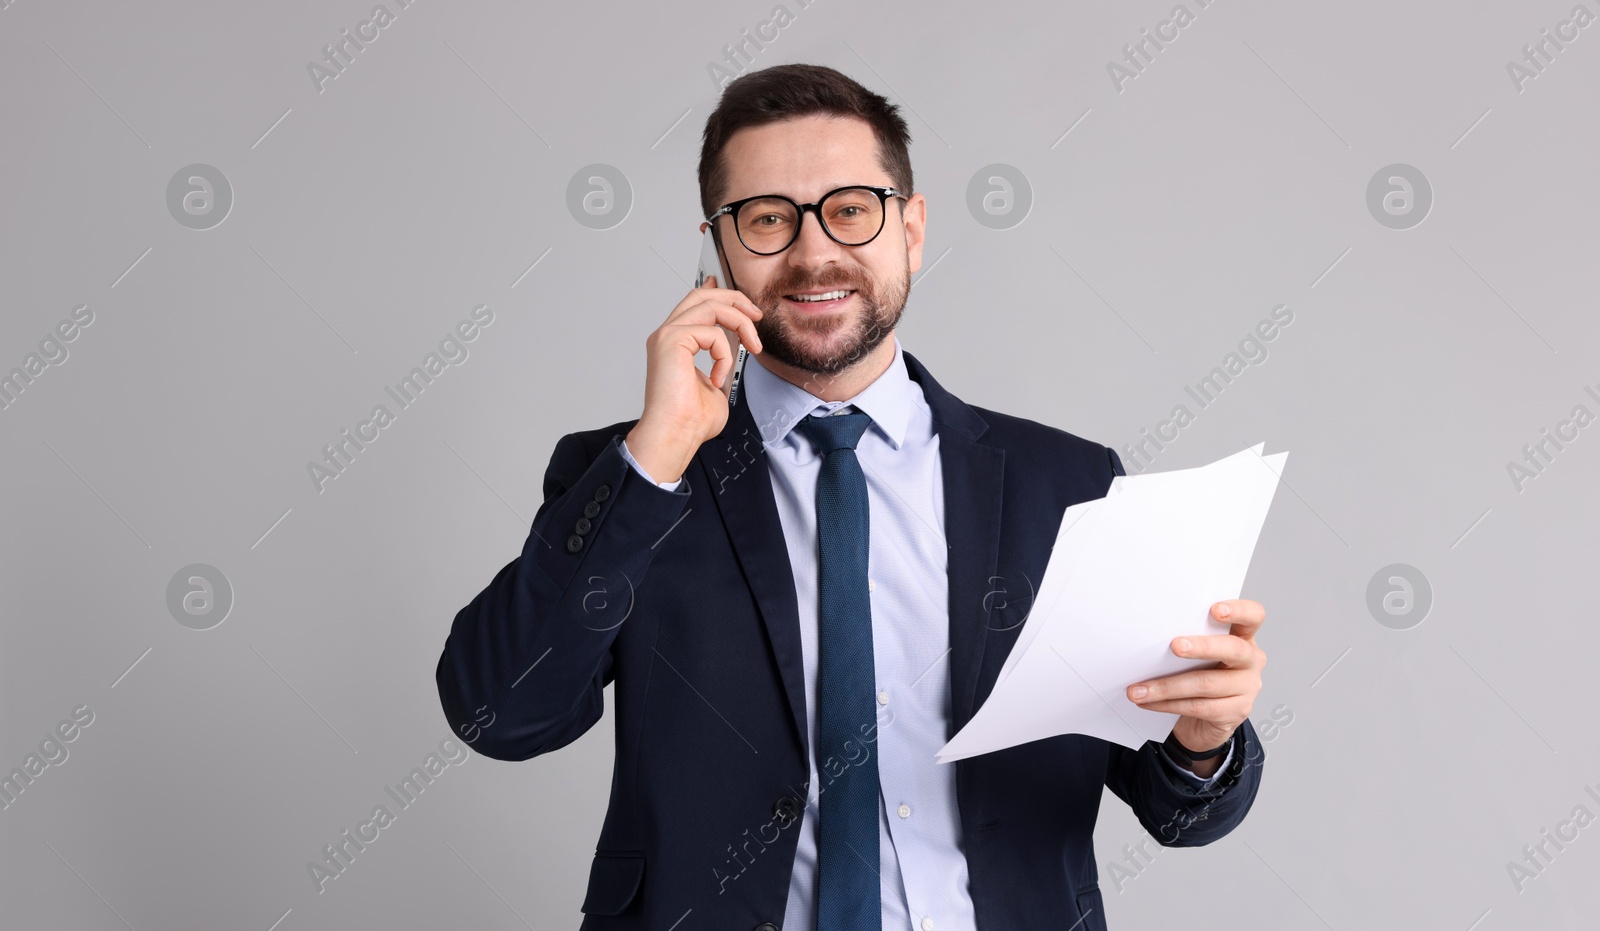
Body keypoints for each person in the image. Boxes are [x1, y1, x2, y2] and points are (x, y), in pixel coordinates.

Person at [436, 63, 1269, 931]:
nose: (813, 252)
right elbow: (499, 713)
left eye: (851, 209)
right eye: (766, 219)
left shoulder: (1067, 486)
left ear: (911, 227)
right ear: (719, 248)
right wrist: (657, 451)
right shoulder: (635, 478)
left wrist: (1204, 741)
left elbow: (1179, 813)